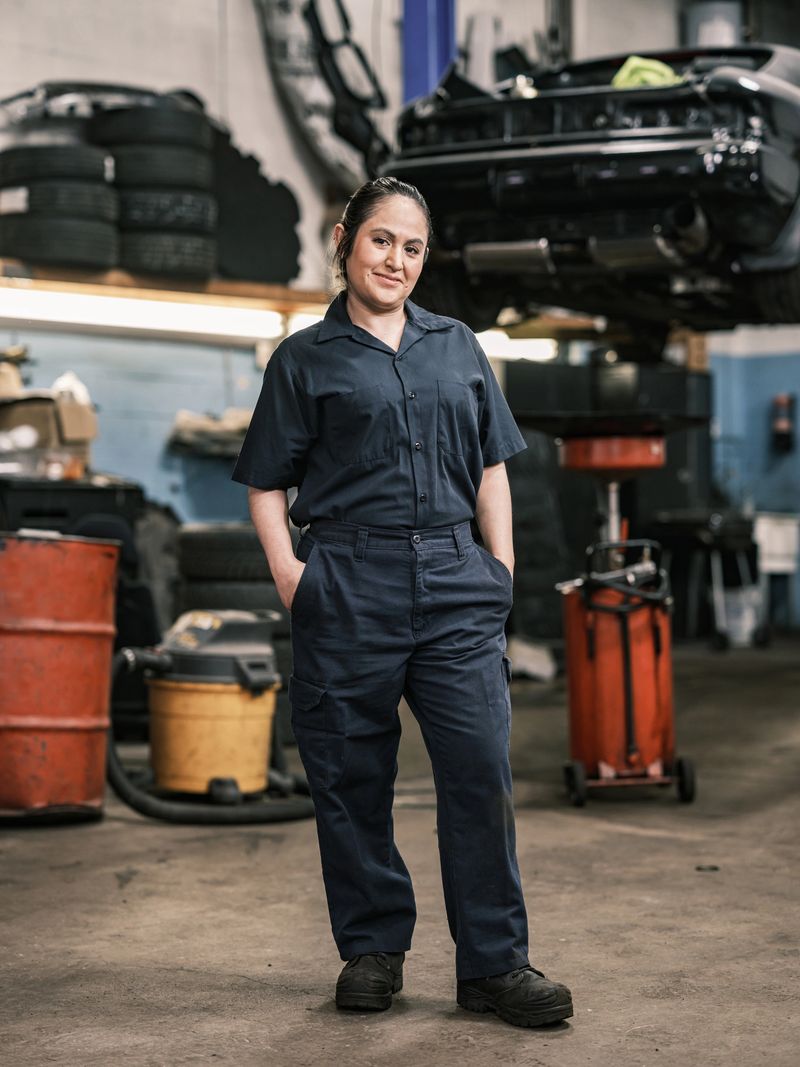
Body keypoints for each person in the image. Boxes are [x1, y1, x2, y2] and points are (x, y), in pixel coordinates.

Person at [232, 176, 573, 1029]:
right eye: (382, 240)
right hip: (349, 578)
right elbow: (267, 483)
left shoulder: (457, 345)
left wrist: (500, 566)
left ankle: (494, 965)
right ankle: (373, 947)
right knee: (351, 774)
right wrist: (291, 574)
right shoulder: (304, 360)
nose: (396, 260)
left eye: (413, 247)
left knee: (478, 770)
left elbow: (492, 466)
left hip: (457, 581)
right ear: (346, 239)